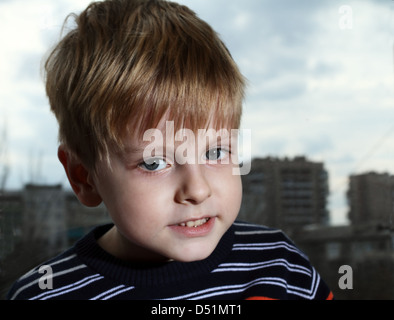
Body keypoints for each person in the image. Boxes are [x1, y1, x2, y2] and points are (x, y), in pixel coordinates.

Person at [7, 0, 333, 300]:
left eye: (216, 153)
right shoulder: (45, 293)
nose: (198, 189)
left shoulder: (280, 266)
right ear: (84, 177)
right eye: (153, 162)